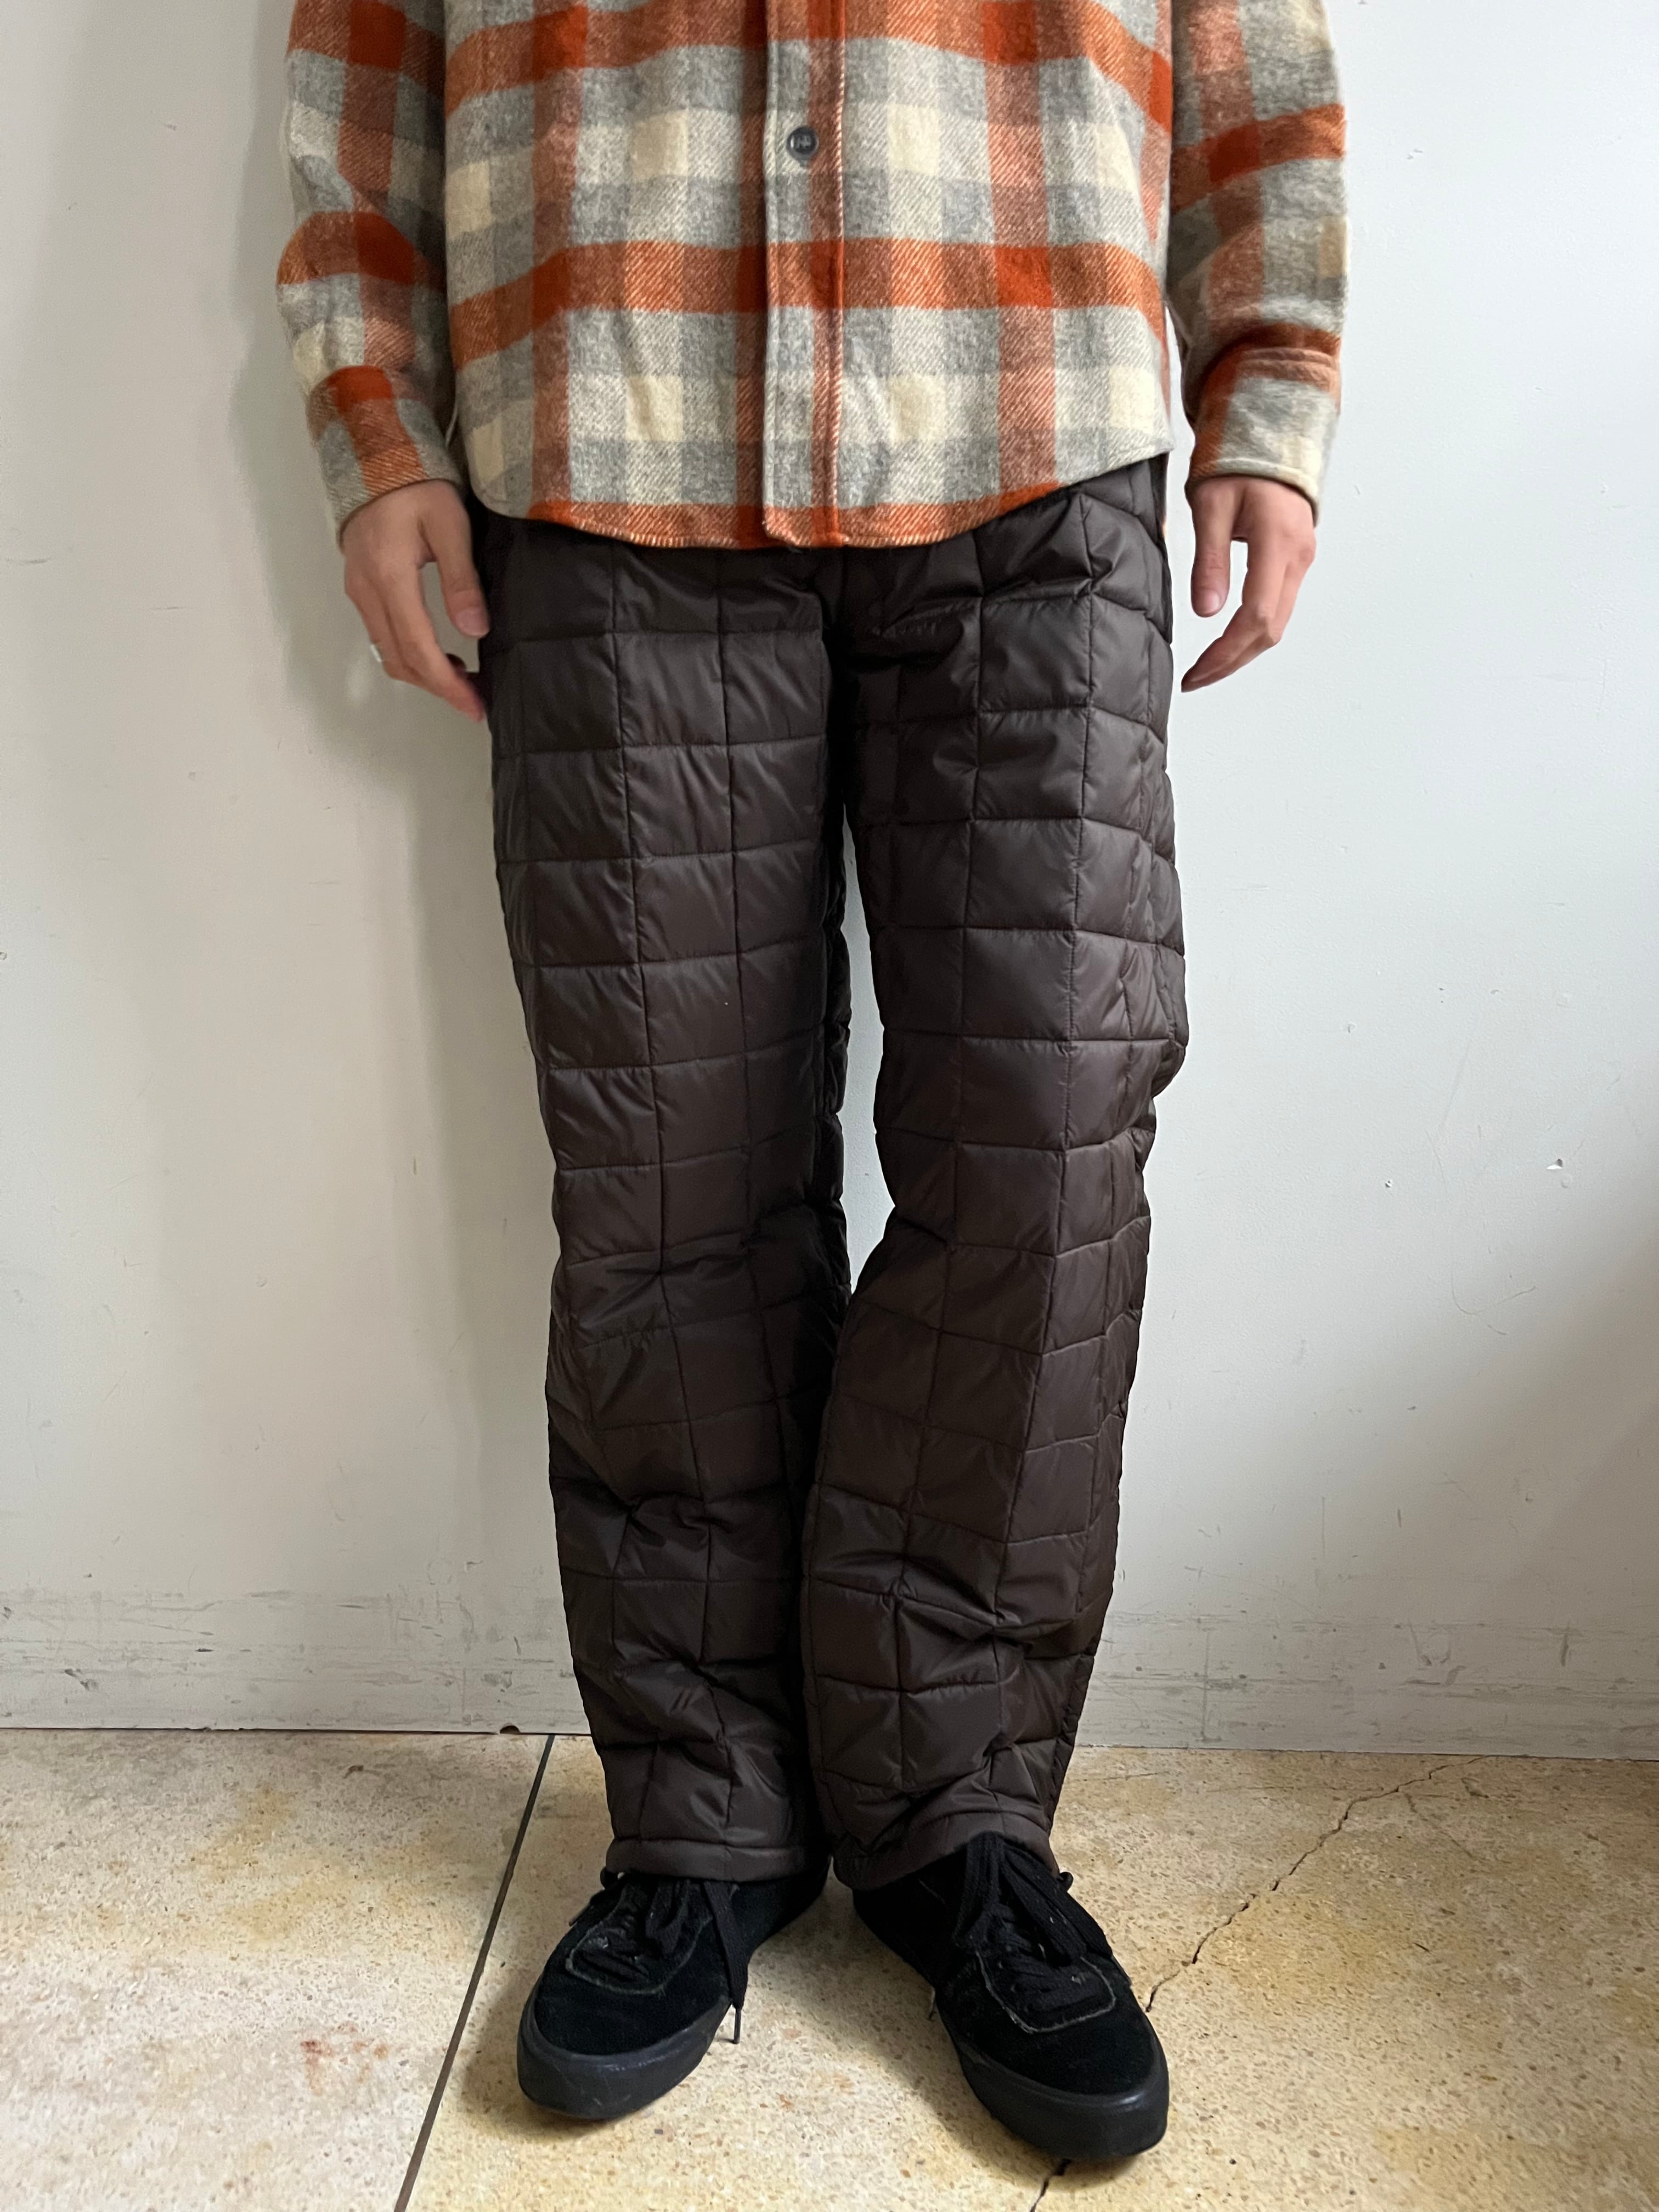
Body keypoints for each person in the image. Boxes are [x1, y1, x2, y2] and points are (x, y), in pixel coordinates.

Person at [278, 0, 1345, 2162]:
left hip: (1037, 415)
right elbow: (361, 51)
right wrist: (377, 426)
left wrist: (1276, 377)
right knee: (667, 1179)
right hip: (613, 427)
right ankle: (705, 1819)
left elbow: (1258, 41)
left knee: (1046, 1158)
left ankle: (957, 1817)